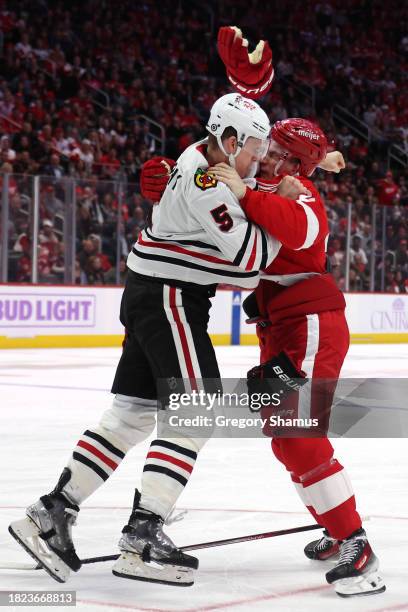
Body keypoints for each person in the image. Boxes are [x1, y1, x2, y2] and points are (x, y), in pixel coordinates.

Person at [9, 93, 281, 587]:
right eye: (254, 147)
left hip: (149, 292)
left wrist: (251, 187)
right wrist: (275, 203)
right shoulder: (208, 184)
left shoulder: (202, 158)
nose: (258, 158)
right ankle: (143, 534)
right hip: (168, 299)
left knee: (131, 414)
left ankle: (49, 514)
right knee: (198, 410)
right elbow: (250, 263)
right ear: (229, 140)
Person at [208, 118, 385, 598]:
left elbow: (301, 229)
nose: (265, 154)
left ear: (295, 161)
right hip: (283, 328)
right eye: (266, 146)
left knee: (301, 436)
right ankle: (335, 527)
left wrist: (254, 193)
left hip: (312, 326)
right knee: (284, 440)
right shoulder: (271, 180)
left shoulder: (301, 190)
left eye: (277, 150)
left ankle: (356, 543)